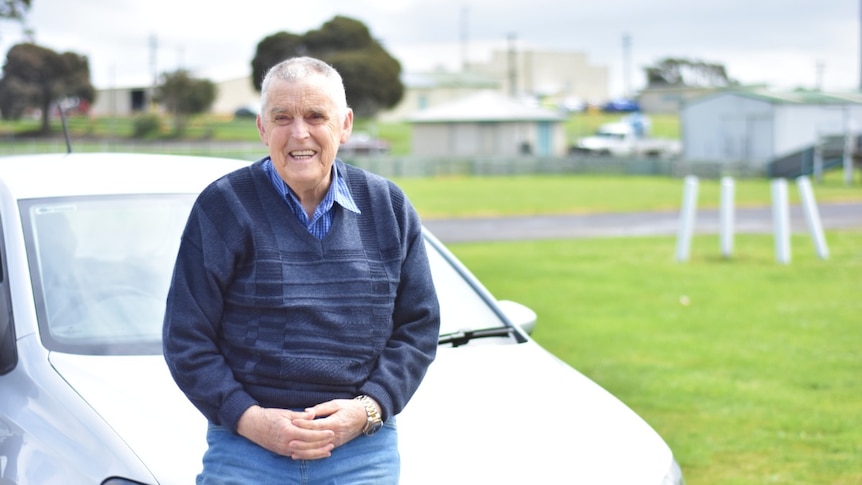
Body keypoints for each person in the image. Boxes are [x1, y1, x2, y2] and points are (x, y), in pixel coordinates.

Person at [162, 56, 441, 484]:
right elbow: (186, 337)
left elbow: (418, 327)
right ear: (261, 128)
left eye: (315, 116)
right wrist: (251, 420)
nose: (299, 133)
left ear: (344, 125)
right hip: (247, 450)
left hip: (361, 451)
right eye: (282, 117)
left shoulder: (389, 207)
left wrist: (366, 410)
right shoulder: (223, 207)